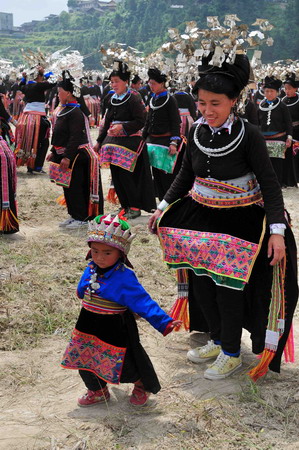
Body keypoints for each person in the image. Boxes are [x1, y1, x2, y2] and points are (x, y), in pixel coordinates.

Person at [149, 53, 298, 381]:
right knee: (202, 282)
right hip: (200, 217)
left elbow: (270, 186)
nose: (207, 110)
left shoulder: (249, 135)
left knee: (228, 288)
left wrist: (276, 231)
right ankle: (216, 339)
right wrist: (162, 208)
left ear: (234, 100)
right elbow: (185, 175)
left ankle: (231, 352)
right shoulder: (198, 132)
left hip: (238, 222)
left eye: (215, 103)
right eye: (202, 102)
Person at [61, 214, 181, 406]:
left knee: (123, 362)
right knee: (85, 358)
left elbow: (143, 301)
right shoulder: (91, 268)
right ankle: (98, 390)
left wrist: (165, 321)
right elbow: (81, 291)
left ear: (121, 253)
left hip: (115, 327)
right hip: (87, 323)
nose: (99, 257)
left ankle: (141, 385)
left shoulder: (124, 276)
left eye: (107, 253)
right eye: (95, 251)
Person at [94, 61, 156, 220]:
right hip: (113, 142)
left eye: (116, 82)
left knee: (127, 176)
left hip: (130, 142)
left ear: (126, 82)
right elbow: (107, 121)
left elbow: (142, 120)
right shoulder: (111, 97)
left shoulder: (134, 97)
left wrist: (123, 128)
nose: (113, 85)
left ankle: (134, 207)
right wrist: (99, 141)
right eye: (111, 82)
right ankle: (124, 206)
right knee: (117, 176)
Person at [47, 70, 103, 229]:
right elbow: (60, 134)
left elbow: (75, 137)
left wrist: (67, 157)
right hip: (66, 154)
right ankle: (73, 214)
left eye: (60, 92)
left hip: (77, 155)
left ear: (70, 93)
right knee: (67, 187)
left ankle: (82, 217)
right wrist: (53, 150)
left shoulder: (76, 112)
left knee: (76, 186)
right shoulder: (64, 110)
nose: (58, 95)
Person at [143, 67, 183, 201]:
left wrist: (173, 142)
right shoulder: (152, 98)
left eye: (153, 84)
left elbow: (175, 121)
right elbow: (148, 120)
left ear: (161, 84)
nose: (151, 86)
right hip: (153, 142)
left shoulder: (170, 100)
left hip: (166, 143)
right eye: (150, 84)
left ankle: (171, 205)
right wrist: (143, 138)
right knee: (156, 176)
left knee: (167, 177)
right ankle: (161, 203)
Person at [15, 65, 55, 173]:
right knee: (43, 142)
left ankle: (26, 163)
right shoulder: (39, 86)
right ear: (38, 77)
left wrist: (24, 78)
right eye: (41, 76)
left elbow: (20, 85)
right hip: (38, 117)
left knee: (26, 141)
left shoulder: (27, 87)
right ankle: (36, 166)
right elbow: (53, 82)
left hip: (25, 117)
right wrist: (47, 73)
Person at [258, 76, 295, 187]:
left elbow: (288, 123)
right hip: (264, 140)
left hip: (278, 139)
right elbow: (257, 123)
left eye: (271, 91)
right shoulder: (261, 106)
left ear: (277, 92)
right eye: (267, 91)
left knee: (277, 163)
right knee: (266, 163)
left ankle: (278, 183)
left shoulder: (282, 106)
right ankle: (267, 183)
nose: (269, 93)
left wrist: (289, 137)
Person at [282, 73, 299, 182]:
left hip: (298, 132)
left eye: (289, 89)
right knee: (287, 156)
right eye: (285, 89)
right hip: (286, 133)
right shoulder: (282, 101)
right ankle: (288, 180)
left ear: (296, 88)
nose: (287, 91)